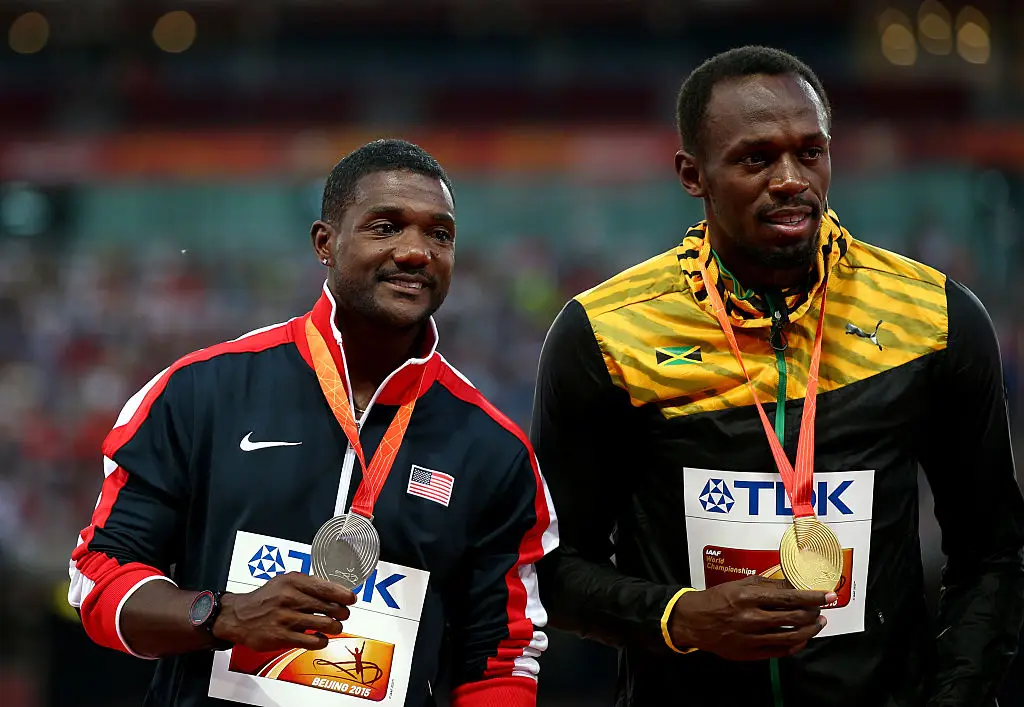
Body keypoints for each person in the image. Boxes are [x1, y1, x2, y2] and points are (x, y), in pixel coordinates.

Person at [530, 46, 1024, 706]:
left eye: (810, 152)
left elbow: (993, 553)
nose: (791, 178)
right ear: (692, 173)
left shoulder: (934, 316)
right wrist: (679, 616)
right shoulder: (606, 333)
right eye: (756, 158)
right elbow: (553, 568)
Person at [68, 138, 558, 707]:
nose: (416, 251)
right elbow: (99, 574)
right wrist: (221, 615)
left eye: (439, 234)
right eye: (385, 226)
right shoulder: (202, 391)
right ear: (325, 243)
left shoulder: (494, 449)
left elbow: (501, 658)